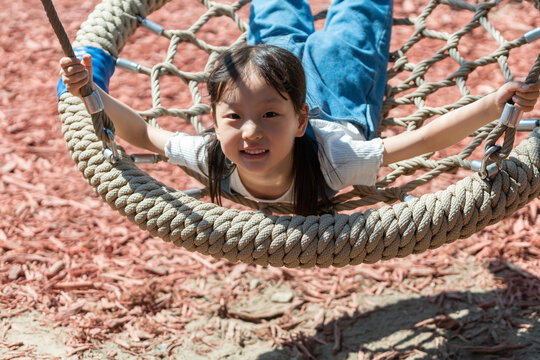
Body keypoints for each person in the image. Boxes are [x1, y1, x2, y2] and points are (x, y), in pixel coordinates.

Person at [59, 0, 540, 216]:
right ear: (215, 121)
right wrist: (89, 94)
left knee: (280, 14)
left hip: (333, 98)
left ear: (298, 120)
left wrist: (491, 105)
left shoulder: (335, 153)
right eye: (233, 118)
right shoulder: (213, 151)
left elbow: (422, 141)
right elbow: (143, 134)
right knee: (353, 21)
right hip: (293, 79)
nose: (250, 132)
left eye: (267, 118)